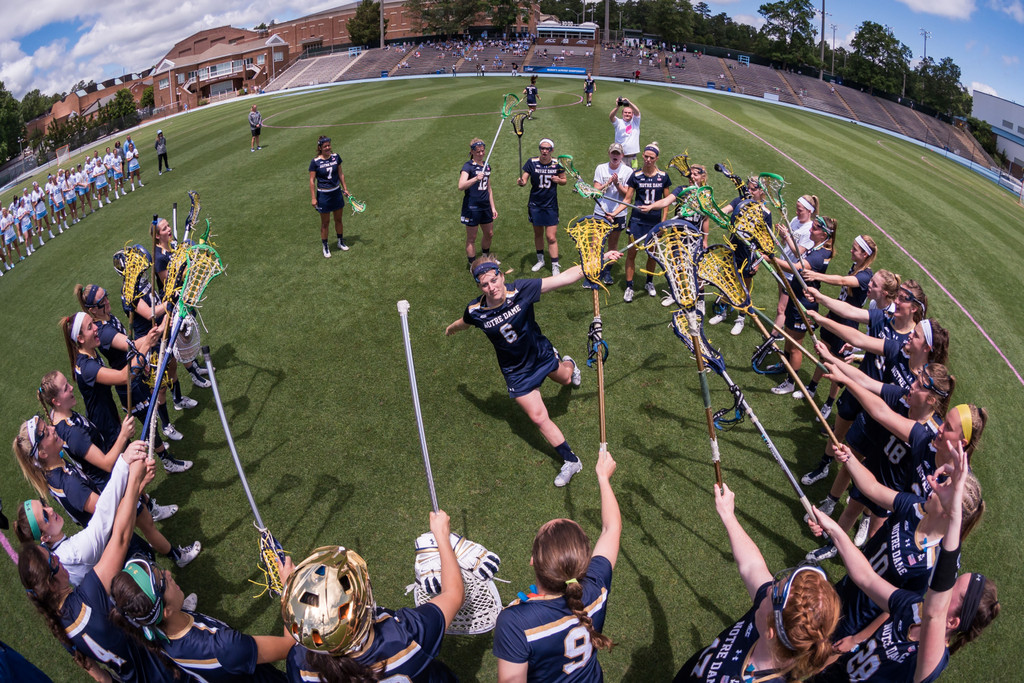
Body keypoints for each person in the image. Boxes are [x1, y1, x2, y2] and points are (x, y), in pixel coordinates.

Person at [807, 445, 999, 682]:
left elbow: (933, 610)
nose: (940, 591)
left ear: (951, 621)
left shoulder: (929, 663)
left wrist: (857, 639)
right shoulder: (912, 608)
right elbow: (866, 576)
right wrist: (834, 529)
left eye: (948, 592)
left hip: (857, 618)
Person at [445, 253, 622, 487]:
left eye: (494, 280)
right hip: (515, 371)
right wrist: (451, 329)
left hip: (539, 354)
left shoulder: (521, 290)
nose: (491, 287)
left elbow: (564, 278)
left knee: (566, 379)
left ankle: (569, 363)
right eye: (484, 284)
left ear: (500, 276)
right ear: (479, 285)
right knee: (538, 417)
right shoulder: (476, 309)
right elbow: (464, 322)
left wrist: (599, 261)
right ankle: (571, 461)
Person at [18, 442, 180, 683]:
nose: (57, 559)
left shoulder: (60, 626)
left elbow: (99, 676)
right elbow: (119, 535)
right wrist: (131, 476)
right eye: (52, 560)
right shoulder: (86, 588)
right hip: (162, 669)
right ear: (50, 583)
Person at [674, 482, 840, 682]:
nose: (768, 589)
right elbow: (752, 566)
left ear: (770, 632)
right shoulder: (776, 618)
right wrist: (728, 515)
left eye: (773, 592)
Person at [283, 510, 464, 682]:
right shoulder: (405, 636)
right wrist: (441, 535)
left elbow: (299, 642)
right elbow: (453, 594)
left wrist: (294, 596)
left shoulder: (299, 665)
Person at [493, 449, 621, 681]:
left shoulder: (515, 622)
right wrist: (603, 478)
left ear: (533, 560)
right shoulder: (595, 587)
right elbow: (611, 529)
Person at [110, 556, 293, 681]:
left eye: (161, 571)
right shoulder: (225, 646)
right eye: (163, 582)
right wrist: (289, 590)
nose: (169, 574)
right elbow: (289, 647)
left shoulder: (151, 628)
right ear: (166, 611)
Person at [795, 234, 878, 404]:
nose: (851, 250)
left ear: (865, 255)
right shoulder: (856, 266)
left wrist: (817, 276)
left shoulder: (865, 276)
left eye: (855, 249)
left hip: (847, 323)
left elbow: (841, 280)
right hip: (835, 316)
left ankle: (828, 403)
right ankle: (811, 388)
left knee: (837, 366)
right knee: (823, 354)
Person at [769, 216, 835, 396]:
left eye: (814, 228)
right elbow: (799, 256)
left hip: (803, 304)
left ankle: (791, 382)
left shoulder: (819, 255)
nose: (811, 230)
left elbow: (797, 268)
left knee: (795, 346)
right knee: (789, 339)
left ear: (824, 234)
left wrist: (770, 258)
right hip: (796, 297)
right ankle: (785, 366)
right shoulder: (818, 248)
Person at [626, 142, 672, 301]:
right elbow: (627, 199)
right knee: (632, 253)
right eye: (645, 156)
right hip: (637, 220)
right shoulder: (636, 175)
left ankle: (649, 282)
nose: (647, 159)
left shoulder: (663, 177)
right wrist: (613, 213)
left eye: (651, 157)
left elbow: (666, 201)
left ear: (656, 158)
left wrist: (663, 223)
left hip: (654, 223)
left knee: (652, 255)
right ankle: (629, 286)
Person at [518, 138, 567, 275]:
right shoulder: (532, 162)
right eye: (542, 148)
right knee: (538, 234)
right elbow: (524, 179)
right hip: (535, 204)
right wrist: (521, 182)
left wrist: (559, 180)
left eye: (548, 149)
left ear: (552, 150)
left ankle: (555, 264)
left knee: (551, 237)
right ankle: (540, 260)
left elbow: (564, 180)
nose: (544, 151)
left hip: (550, 205)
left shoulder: (557, 163)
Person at [773, 194, 819, 331]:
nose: (797, 213)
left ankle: (772, 338)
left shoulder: (810, 230)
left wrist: (787, 236)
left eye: (800, 210)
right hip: (782, 268)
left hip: (792, 275)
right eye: (797, 209)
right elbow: (786, 243)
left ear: (809, 211)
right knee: (783, 307)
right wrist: (782, 236)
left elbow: (798, 252)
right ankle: (782, 330)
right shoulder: (794, 220)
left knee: (781, 308)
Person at [591, 143, 632, 285]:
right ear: (609, 154)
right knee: (596, 243)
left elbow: (627, 195)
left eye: (618, 153)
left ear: (622, 156)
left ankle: (607, 272)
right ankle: (594, 272)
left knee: (612, 244)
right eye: (613, 153)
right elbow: (595, 191)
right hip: (601, 212)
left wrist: (617, 184)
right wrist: (608, 183)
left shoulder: (627, 171)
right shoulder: (601, 168)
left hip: (618, 213)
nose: (615, 156)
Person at [458, 138, 498, 268]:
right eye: (478, 151)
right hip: (472, 207)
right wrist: (476, 178)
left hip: (485, 206)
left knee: (489, 234)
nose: (481, 154)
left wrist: (493, 207)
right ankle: (472, 265)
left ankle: (486, 258)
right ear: (472, 151)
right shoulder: (468, 166)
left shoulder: (487, 165)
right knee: (472, 238)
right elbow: (461, 185)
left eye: (482, 151)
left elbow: (489, 188)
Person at [309, 135, 350, 258]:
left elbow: (340, 174)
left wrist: (345, 188)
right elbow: (312, 181)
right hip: (324, 195)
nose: (327, 148)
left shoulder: (336, 157)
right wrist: (313, 198)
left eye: (329, 145)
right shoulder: (315, 162)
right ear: (320, 147)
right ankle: (325, 246)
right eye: (325, 146)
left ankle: (340, 241)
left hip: (336, 193)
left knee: (339, 219)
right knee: (325, 223)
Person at [609, 98, 641, 167]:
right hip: (620, 158)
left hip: (633, 158)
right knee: (620, 176)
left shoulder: (635, 122)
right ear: (622, 113)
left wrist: (629, 102)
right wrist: (617, 107)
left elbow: (637, 112)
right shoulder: (618, 122)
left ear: (632, 114)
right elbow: (611, 117)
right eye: (625, 112)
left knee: (633, 175)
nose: (627, 114)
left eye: (629, 113)